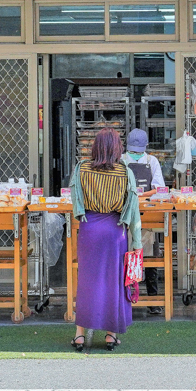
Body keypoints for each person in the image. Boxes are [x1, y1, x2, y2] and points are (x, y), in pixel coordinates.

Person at [69, 128, 142, 352]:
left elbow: (75, 200)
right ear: (116, 148)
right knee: (114, 283)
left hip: (89, 230)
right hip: (115, 231)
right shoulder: (125, 172)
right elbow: (133, 211)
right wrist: (137, 243)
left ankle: (80, 335)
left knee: (87, 283)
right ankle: (111, 335)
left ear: (96, 147)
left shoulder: (81, 169)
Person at [121, 128, 165, 315]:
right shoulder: (121, 160)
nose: (136, 154)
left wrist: (138, 195)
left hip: (147, 214)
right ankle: (126, 297)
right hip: (126, 215)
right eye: (134, 150)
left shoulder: (151, 161)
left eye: (138, 150)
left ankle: (153, 299)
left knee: (149, 256)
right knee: (125, 256)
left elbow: (159, 188)